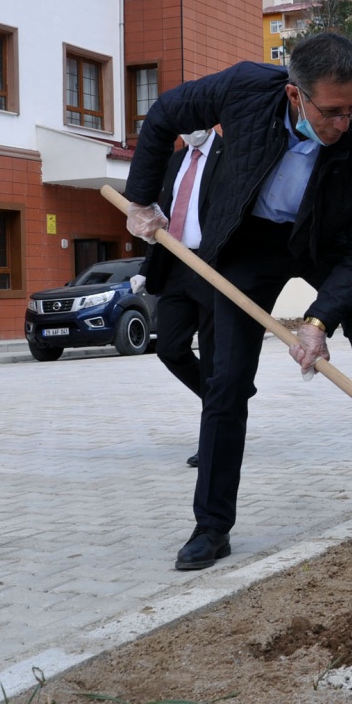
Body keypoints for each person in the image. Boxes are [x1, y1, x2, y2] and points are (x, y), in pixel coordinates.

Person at [123, 32, 352, 571]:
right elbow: (165, 113)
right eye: (332, 111)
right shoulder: (244, 88)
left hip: (332, 245)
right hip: (251, 241)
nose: (344, 123)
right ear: (295, 95)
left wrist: (319, 322)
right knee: (225, 377)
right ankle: (212, 525)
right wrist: (142, 200)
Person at [134, 127, 224, 467]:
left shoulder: (229, 155)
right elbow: (165, 218)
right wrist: (146, 268)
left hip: (212, 265)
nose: (191, 130)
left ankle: (213, 440)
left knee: (213, 360)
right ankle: (225, 398)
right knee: (170, 348)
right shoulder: (175, 161)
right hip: (174, 265)